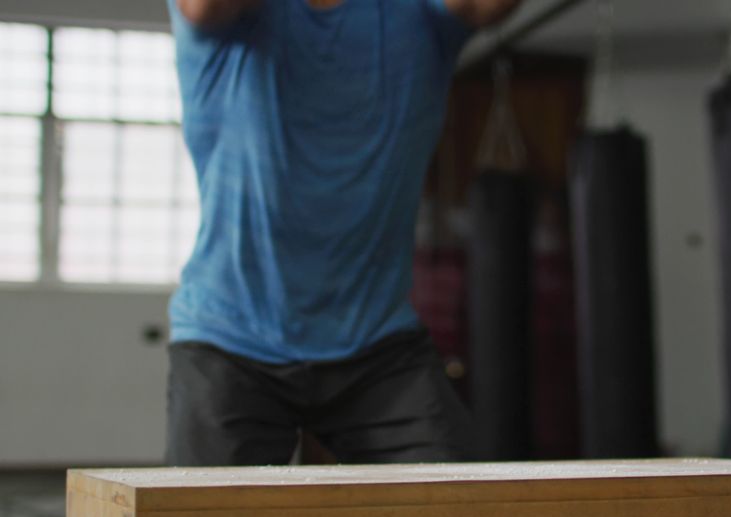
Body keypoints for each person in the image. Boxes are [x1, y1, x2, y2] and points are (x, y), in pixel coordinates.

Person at [165, 0, 522, 466]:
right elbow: (203, 7)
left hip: (377, 346)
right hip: (231, 341)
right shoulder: (238, 19)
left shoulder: (417, 17)